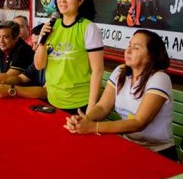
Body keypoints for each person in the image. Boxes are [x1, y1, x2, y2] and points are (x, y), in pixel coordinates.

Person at [64, 30, 176, 159]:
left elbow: (139, 123)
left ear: (151, 55)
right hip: (129, 145)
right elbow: (102, 107)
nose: (128, 51)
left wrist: (94, 127)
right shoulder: (120, 71)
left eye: (136, 48)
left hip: (157, 152)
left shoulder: (160, 78)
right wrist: (85, 120)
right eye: (129, 45)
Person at [34, 0, 104, 114]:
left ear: (80, 1)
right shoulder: (52, 26)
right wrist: (41, 43)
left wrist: (91, 106)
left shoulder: (88, 28)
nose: (62, 0)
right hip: (52, 100)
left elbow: (98, 70)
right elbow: (39, 65)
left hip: (79, 104)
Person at [0, 23, 46, 98]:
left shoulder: (24, 51)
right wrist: (2, 83)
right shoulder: (37, 59)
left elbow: (45, 92)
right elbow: (21, 78)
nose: (33, 48)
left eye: (37, 44)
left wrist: (11, 90)